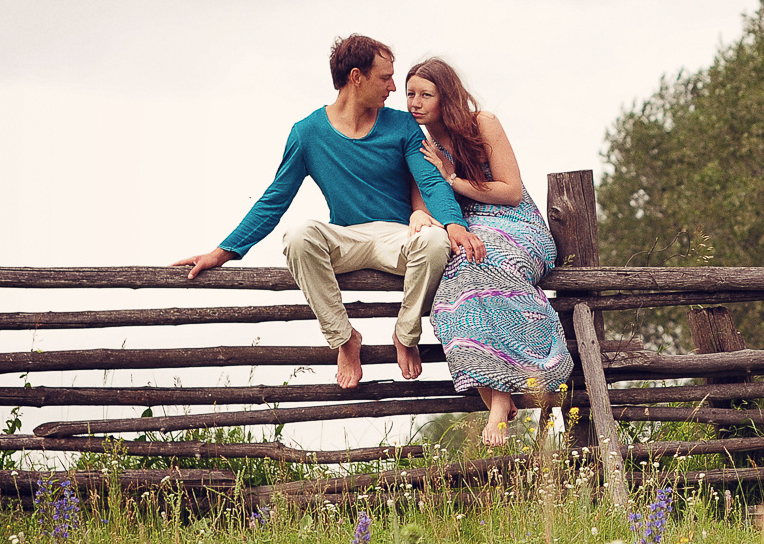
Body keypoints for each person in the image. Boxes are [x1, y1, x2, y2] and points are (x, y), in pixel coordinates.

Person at [171, 35, 471, 389]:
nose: (393, 86)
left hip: (397, 236)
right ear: (356, 77)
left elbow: (431, 182)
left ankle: (405, 335)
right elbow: (274, 200)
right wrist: (222, 253)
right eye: (384, 78)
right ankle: (345, 339)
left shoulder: (402, 125)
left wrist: (455, 225)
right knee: (298, 237)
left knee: (435, 240)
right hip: (346, 237)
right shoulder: (307, 133)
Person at [401, 57, 572, 445]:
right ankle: (498, 397)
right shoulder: (419, 143)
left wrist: (453, 179)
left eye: (426, 94)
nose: (415, 102)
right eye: (410, 94)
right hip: (470, 234)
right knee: (448, 294)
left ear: (447, 96)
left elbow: (510, 191)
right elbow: (423, 202)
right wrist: (416, 214)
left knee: (485, 262)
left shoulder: (483, 123)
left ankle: (510, 393)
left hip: (517, 226)